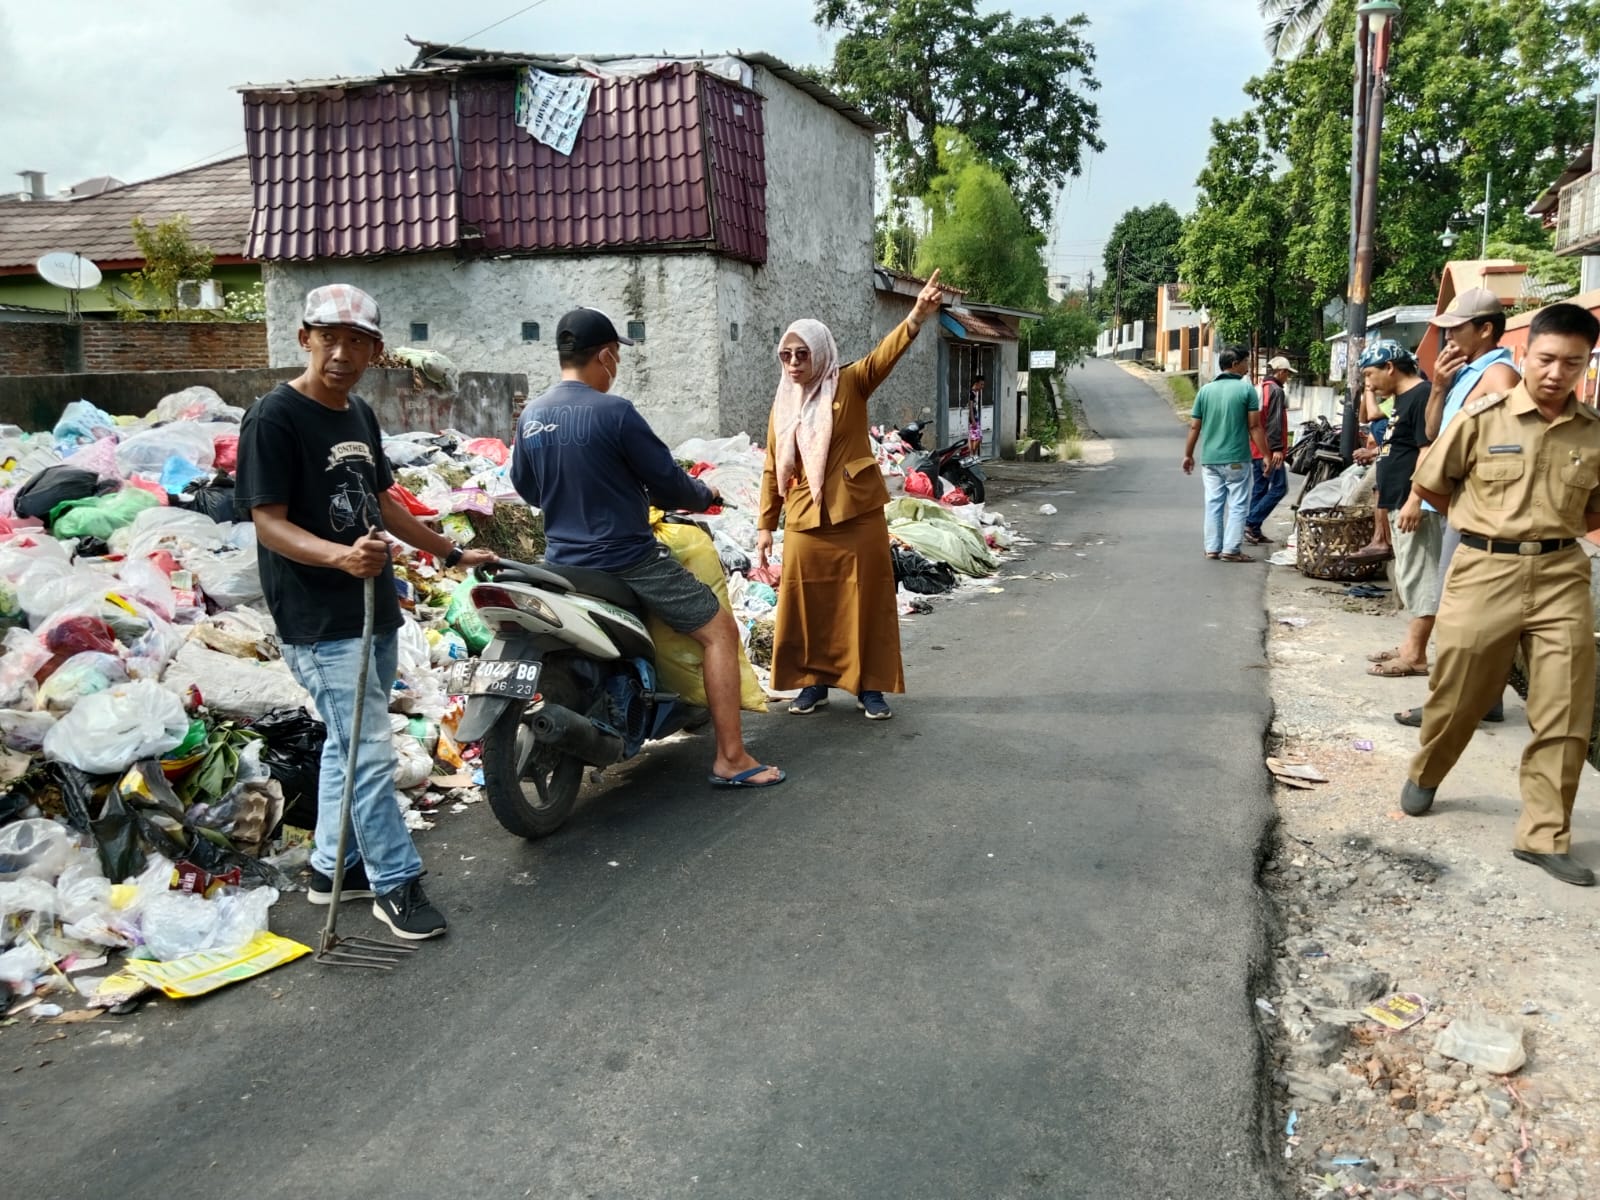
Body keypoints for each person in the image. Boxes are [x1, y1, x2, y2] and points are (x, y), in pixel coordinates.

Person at [236, 285, 494, 940]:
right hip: (318, 618)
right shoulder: (274, 418)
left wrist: (450, 550)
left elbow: (383, 501)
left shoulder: (357, 416)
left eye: (356, 342)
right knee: (369, 752)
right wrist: (337, 558)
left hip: (373, 607)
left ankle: (333, 869)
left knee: (348, 747)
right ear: (305, 340)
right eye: (329, 338)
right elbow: (266, 523)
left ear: (376, 351)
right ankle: (395, 883)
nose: (341, 353)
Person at [508, 308, 784, 790]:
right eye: (616, 356)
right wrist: (706, 495)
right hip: (626, 561)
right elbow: (670, 485)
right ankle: (732, 757)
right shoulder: (615, 413)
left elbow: (529, 490)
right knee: (719, 630)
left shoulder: (531, 417)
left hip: (559, 565)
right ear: (607, 355)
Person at [1398, 302, 1600, 887]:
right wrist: (1488, 523)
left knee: (1565, 708)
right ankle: (1429, 770)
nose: (1556, 373)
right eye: (1546, 359)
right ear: (1523, 355)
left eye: (1572, 362)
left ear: (1585, 364)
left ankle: (1542, 834)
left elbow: (1592, 509)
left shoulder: (1593, 433)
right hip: (1484, 570)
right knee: (1460, 692)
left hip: (1562, 575)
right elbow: (1432, 486)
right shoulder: (1483, 417)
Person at [756, 270, 948, 721]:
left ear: (820, 352)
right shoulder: (783, 405)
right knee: (809, 605)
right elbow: (771, 466)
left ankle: (870, 687)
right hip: (805, 517)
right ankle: (814, 682)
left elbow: (884, 356)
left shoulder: (850, 382)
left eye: (802, 354)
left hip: (857, 513)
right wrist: (766, 525)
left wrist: (916, 316)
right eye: (786, 355)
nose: (794, 363)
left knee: (867, 601)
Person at [1394, 287, 1522, 727]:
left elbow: (1506, 449)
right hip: (1460, 504)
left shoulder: (1499, 376)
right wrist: (1441, 387)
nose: (1448, 338)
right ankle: (1487, 699)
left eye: (1456, 329)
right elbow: (1431, 434)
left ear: (1485, 329)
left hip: (1477, 506)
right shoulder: (1466, 372)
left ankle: (1449, 702)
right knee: (1471, 607)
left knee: (1458, 608)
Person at [1359, 342, 1437, 678]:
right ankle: (1409, 646)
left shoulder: (1423, 396)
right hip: (1398, 500)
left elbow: (1428, 449)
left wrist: (1415, 499)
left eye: (1370, 374)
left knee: (1421, 579)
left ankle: (1416, 655)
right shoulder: (1402, 399)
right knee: (1408, 577)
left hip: (1412, 503)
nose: (1370, 383)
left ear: (1390, 366)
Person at [1183, 345, 1275, 561]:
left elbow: (1195, 427)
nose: (1248, 366)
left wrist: (1188, 455)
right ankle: (1231, 550)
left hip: (1210, 460)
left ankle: (1212, 548)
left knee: (1214, 502)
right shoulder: (1246, 390)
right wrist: (1266, 455)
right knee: (1238, 504)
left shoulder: (1205, 391)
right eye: (1246, 362)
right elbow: (1254, 427)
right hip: (1236, 459)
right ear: (1235, 364)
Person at [1244, 355, 1294, 545]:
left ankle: (1254, 530)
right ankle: (1251, 523)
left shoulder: (1259, 388)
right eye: (1287, 373)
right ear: (1281, 372)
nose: (1287, 377)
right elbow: (1274, 422)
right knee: (1280, 487)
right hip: (1269, 450)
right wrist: (1277, 449)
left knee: (1260, 488)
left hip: (1256, 447)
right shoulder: (1276, 391)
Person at [1349, 383, 1396, 562]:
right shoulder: (1388, 401)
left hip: (1388, 455)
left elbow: (1372, 415)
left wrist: (1369, 389)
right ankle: (1377, 538)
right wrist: (1365, 391)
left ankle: (1381, 540)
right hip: (1382, 454)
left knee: (1373, 492)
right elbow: (1363, 417)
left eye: (1371, 373)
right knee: (1371, 492)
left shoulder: (1403, 399)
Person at [966, 375, 986, 456]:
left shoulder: (975, 393)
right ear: (977, 383)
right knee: (978, 438)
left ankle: (972, 455)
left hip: (975, 418)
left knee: (973, 438)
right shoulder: (972, 393)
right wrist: (972, 419)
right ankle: (972, 454)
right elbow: (970, 407)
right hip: (973, 419)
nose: (982, 387)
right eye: (981, 384)